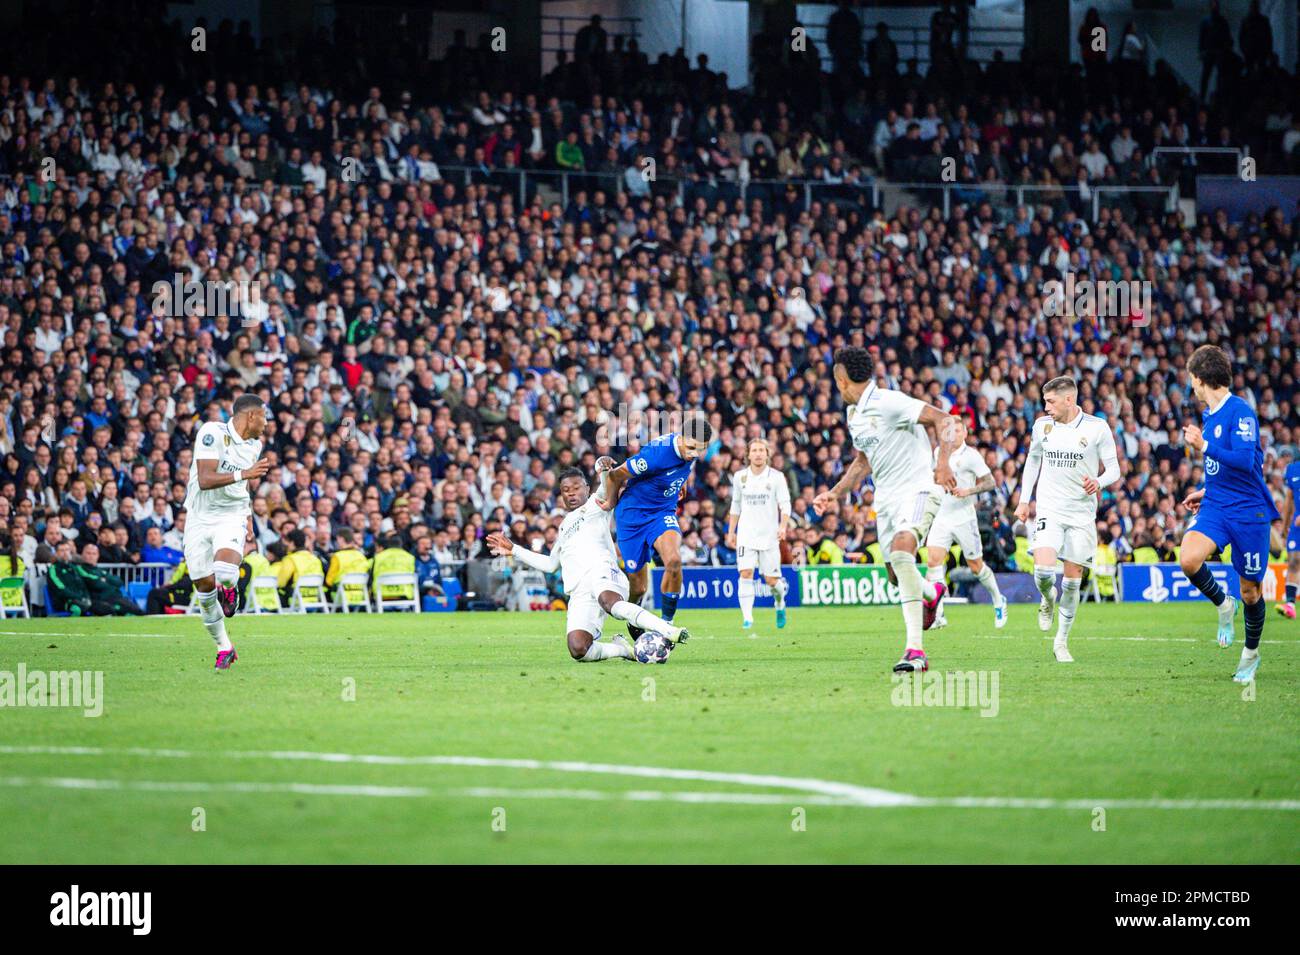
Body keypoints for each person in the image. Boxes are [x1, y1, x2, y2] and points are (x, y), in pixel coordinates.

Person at [813, 346, 957, 673]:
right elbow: (864, 461)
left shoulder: (889, 402)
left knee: (904, 550)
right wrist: (834, 494)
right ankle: (931, 593)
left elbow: (943, 418)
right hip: (887, 500)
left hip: (919, 488)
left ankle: (915, 651)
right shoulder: (854, 415)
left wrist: (943, 463)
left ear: (842, 378)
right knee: (894, 574)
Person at [486, 463, 688, 662]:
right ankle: (624, 650)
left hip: (602, 571)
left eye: (576, 488)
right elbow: (550, 564)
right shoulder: (563, 528)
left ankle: (666, 630)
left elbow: (609, 483)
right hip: (579, 590)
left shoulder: (596, 504)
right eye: (566, 490)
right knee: (578, 648)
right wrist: (514, 550)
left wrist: (603, 466)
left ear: (587, 489)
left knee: (610, 603)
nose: (571, 494)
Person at [1178, 345, 1279, 683]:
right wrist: (1206, 490)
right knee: (1189, 559)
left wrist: (1202, 446)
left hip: (1249, 512)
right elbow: (1224, 468)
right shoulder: (1210, 415)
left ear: (1201, 378)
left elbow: (1244, 461)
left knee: (1250, 591)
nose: (1191, 386)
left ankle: (1250, 654)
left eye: (1192, 379)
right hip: (1218, 505)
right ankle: (1224, 605)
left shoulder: (1241, 412)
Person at [1014, 377, 1120, 663]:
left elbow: (1114, 470)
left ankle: (1061, 642)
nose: (1046, 407)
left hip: (1081, 513)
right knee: (1044, 573)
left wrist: (1098, 482)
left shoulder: (1097, 427)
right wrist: (1025, 500)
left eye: (1051, 402)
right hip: (1049, 508)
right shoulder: (1041, 426)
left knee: (1072, 583)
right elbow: (1033, 460)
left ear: (1069, 400)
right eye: (1045, 401)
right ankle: (1047, 599)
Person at [603, 411, 712, 635]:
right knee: (639, 587)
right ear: (680, 438)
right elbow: (615, 475)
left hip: (661, 512)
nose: (694, 454)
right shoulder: (656, 454)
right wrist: (611, 502)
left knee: (673, 560)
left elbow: (679, 468)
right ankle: (634, 619)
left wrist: (678, 484)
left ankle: (666, 626)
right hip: (632, 516)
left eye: (700, 449)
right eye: (691, 447)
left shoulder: (688, 452)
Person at [183, 394, 269, 669]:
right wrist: (244, 474)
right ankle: (225, 647)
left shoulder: (254, 446)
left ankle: (230, 588)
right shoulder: (211, 432)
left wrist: (248, 517)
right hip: (198, 516)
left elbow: (242, 489)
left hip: (230, 515)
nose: (266, 424)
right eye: (264, 417)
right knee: (204, 590)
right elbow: (206, 479)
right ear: (251, 416)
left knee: (224, 572)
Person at [925, 416, 1008, 629]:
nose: (954, 435)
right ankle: (939, 614)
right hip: (942, 515)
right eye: (950, 431)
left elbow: (990, 482)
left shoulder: (971, 456)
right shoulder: (938, 453)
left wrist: (968, 491)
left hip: (964, 517)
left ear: (965, 433)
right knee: (933, 562)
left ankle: (999, 600)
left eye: (958, 431)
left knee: (975, 566)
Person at [726, 437, 791, 630]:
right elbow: (735, 505)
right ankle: (748, 618)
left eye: (761, 450)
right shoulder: (740, 477)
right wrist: (731, 531)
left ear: (767, 454)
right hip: (746, 534)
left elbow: (785, 504)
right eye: (754, 450)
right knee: (745, 573)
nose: (758, 454)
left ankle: (780, 604)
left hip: (770, 535)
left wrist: (783, 526)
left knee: (772, 581)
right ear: (748, 454)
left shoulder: (776, 477)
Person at [47, 540, 144, 616]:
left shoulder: (73, 567)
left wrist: (84, 597)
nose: (65, 553)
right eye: (62, 550)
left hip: (85, 599)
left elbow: (118, 581)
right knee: (82, 608)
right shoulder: (54, 569)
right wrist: (79, 598)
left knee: (135, 611)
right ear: (56, 553)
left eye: (67, 550)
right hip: (68, 601)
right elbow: (60, 589)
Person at [325, 527, 370, 607]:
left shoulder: (337, 557)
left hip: (341, 596)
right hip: (360, 595)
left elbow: (329, 581)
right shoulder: (361, 556)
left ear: (341, 539)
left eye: (337, 539)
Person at [1278, 457, 1300, 619]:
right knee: (1293, 561)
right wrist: (1285, 525)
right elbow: (1289, 499)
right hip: (1297, 525)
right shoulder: (1292, 469)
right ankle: (1290, 604)